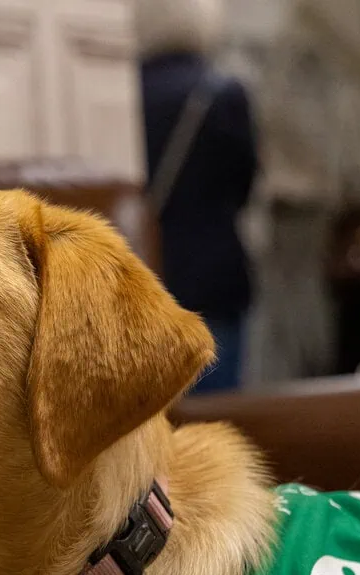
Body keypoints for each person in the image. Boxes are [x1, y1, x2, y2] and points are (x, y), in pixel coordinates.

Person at [135, 0, 259, 393]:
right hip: (212, 276)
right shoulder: (222, 92)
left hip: (145, 273)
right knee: (215, 411)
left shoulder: (124, 93)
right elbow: (244, 183)